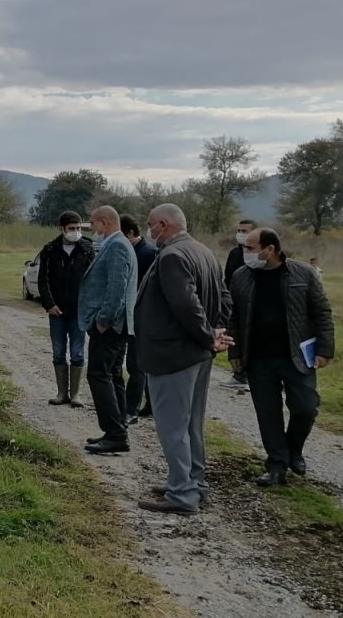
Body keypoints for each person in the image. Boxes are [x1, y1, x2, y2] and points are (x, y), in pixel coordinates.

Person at [134, 204, 233, 514]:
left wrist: (207, 334)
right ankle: (193, 482)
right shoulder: (203, 251)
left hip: (173, 354)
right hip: (198, 353)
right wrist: (215, 334)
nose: (149, 230)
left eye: (150, 224)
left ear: (163, 224)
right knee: (191, 423)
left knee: (172, 426)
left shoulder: (173, 256)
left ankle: (182, 494)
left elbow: (186, 306)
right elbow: (224, 297)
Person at [227, 228, 333, 487]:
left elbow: (322, 312)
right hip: (259, 359)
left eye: (250, 248)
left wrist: (325, 349)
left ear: (270, 249)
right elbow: (234, 317)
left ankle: (293, 449)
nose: (245, 253)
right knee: (268, 414)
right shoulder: (241, 276)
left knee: (306, 408)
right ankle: (276, 465)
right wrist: (235, 351)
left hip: (296, 357)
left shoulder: (303, 274)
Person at [79, 206, 139, 454]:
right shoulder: (119, 245)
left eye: (93, 223)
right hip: (116, 325)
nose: (91, 229)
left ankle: (115, 433)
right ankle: (116, 429)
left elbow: (117, 289)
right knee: (113, 375)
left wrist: (103, 321)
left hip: (111, 326)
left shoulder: (116, 247)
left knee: (98, 374)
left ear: (104, 222)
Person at [38, 210, 95, 407]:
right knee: (58, 351)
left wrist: (89, 306)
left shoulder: (87, 249)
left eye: (78, 228)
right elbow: (42, 281)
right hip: (57, 311)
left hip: (79, 311)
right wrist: (49, 304)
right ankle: (62, 393)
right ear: (62, 229)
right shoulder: (50, 250)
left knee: (78, 352)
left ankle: (76, 394)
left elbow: (93, 280)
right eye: (72, 229)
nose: (76, 232)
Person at [121, 214, 157, 424]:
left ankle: (131, 409)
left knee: (136, 365)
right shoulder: (131, 250)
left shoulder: (149, 253)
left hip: (142, 317)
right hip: (129, 315)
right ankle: (151, 405)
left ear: (130, 233)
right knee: (139, 364)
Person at [220, 218, 257, 389]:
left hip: (253, 302)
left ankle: (252, 375)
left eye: (245, 231)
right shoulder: (234, 254)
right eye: (239, 231)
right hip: (234, 302)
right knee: (235, 337)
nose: (241, 234)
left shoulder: (257, 253)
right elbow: (227, 277)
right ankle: (239, 374)